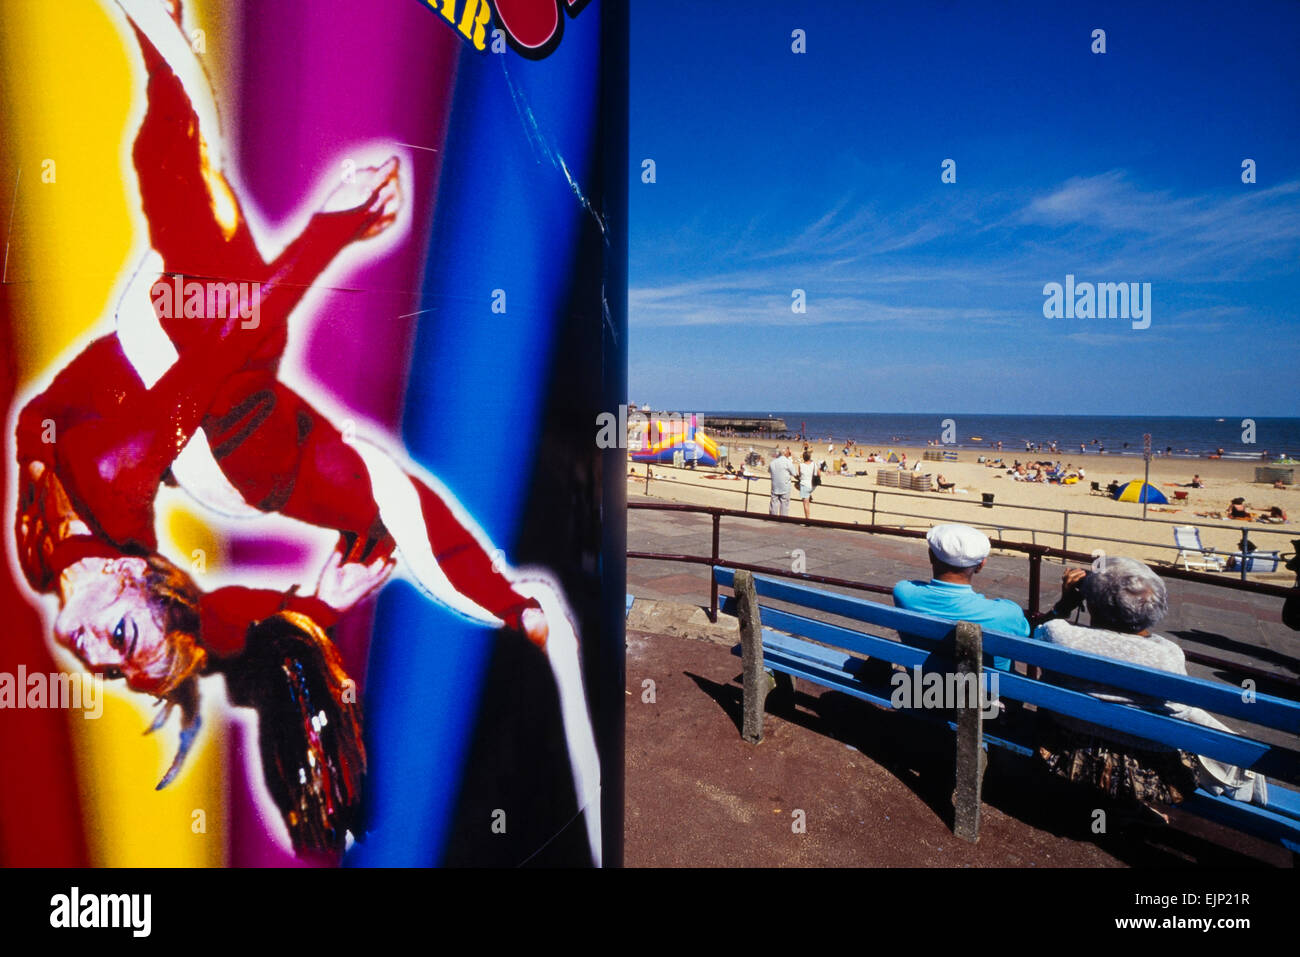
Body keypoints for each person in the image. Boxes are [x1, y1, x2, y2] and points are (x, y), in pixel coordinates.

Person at [11, 0, 600, 860]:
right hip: (213, 390)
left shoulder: (50, 546)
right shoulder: (113, 477)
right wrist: (333, 232)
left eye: (101, 657)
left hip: (199, 383)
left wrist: (303, 607)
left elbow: (209, 627)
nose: (85, 645)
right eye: (117, 643)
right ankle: (520, 607)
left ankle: (161, 31)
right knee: (226, 296)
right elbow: (224, 349)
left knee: (203, 268)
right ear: (139, 577)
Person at [1032, 559, 1267, 816]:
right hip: (1147, 770)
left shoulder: (1060, 635)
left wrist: (1065, 604)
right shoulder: (1167, 654)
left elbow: (1035, 632)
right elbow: (1178, 710)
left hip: (1067, 750)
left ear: (1091, 604)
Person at [893, 524, 1030, 672]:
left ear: (931, 556)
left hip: (920, 689)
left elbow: (912, 585)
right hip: (986, 692)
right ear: (980, 565)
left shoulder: (904, 593)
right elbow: (1024, 634)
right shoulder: (1007, 614)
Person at [769, 447, 796, 516]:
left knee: (774, 503)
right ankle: (782, 520)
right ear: (786, 454)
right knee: (784, 505)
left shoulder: (773, 462)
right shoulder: (787, 462)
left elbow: (770, 471)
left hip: (775, 486)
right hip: (785, 486)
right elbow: (794, 473)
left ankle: (773, 518)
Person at [797, 450, 816, 521]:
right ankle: (809, 495)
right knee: (807, 501)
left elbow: (799, 475)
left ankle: (807, 519)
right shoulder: (814, 464)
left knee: (805, 504)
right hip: (812, 485)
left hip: (804, 484)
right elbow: (818, 473)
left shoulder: (801, 465)